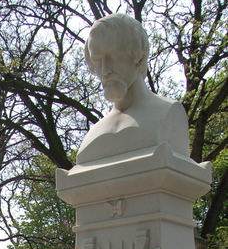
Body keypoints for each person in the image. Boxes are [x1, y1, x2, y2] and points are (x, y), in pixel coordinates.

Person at [77, 13, 189, 164]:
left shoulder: (168, 113)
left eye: (114, 56)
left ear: (137, 54)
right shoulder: (94, 133)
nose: (105, 69)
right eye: (97, 60)